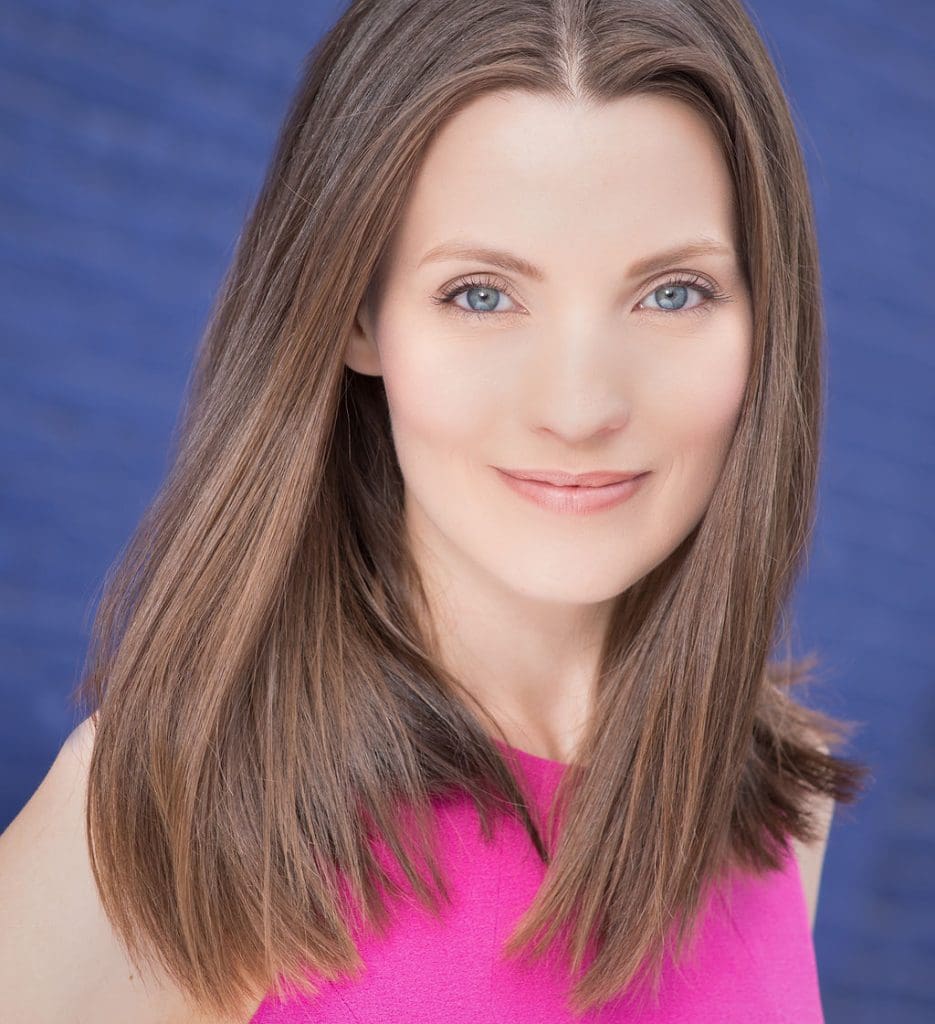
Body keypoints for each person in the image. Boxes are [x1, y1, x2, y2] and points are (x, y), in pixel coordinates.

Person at [0, 0, 870, 1021]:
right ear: (356, 315)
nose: (578, 407)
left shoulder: (778, 801)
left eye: (671, 293)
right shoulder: (170, 814)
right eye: (481, 294)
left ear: (764, 320)